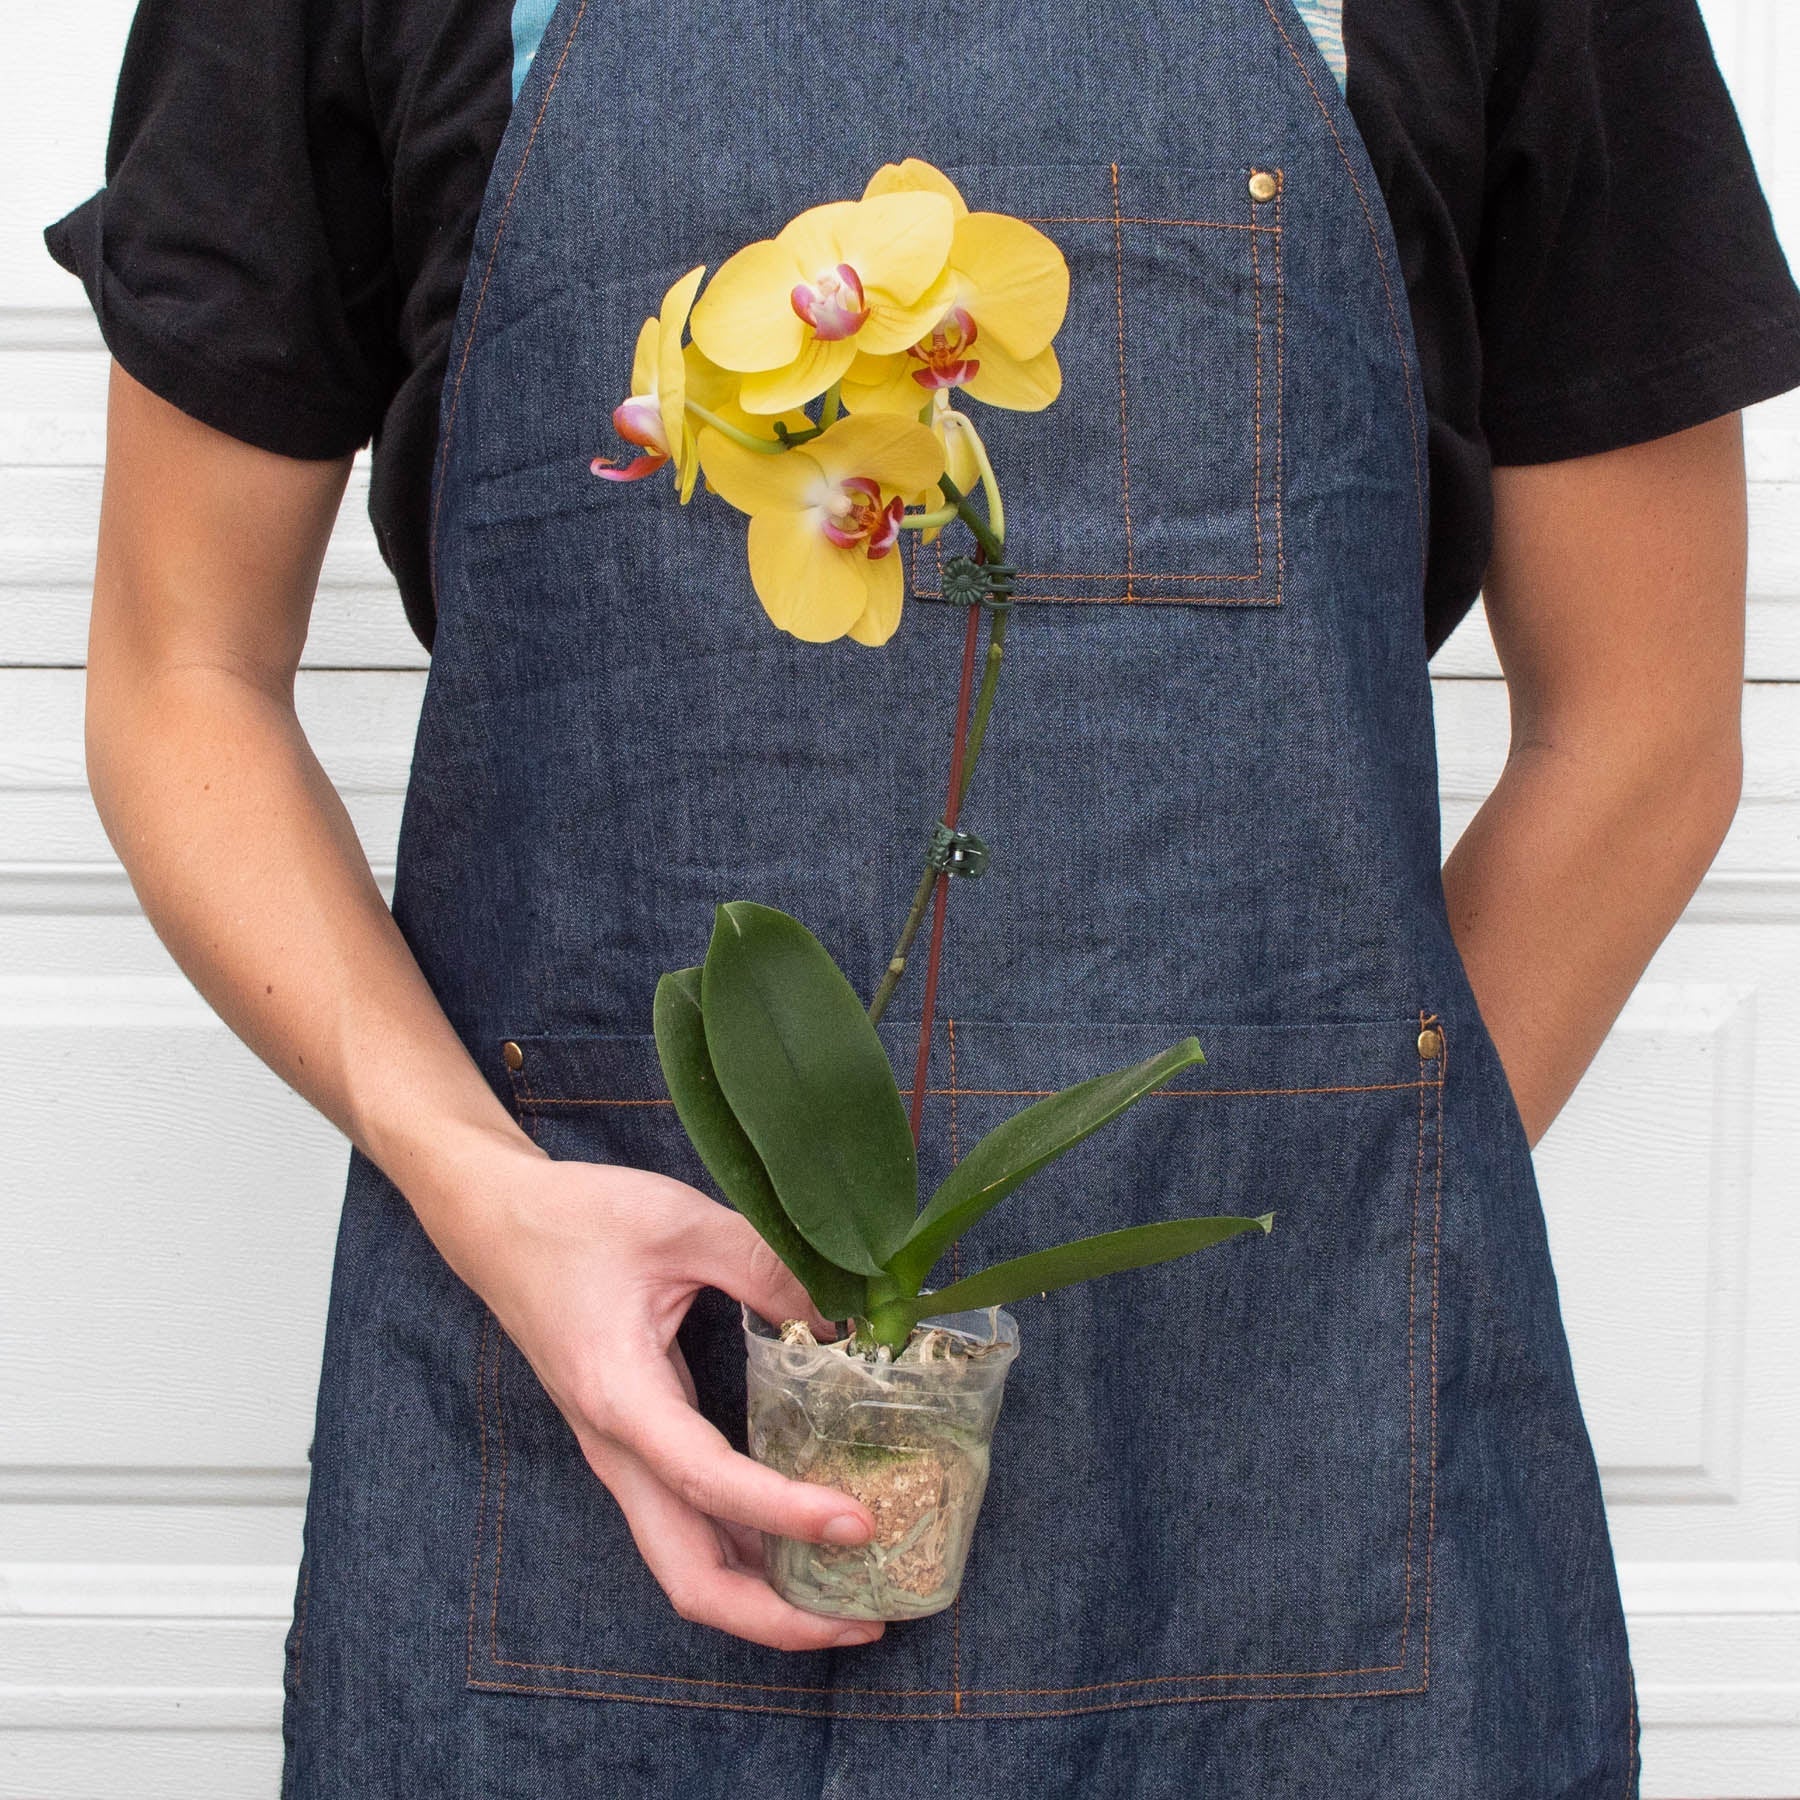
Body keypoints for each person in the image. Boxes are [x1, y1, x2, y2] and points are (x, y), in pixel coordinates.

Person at [43, 0, 1800, 1794]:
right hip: (592, 1458)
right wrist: (485, 1194)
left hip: (1301, 1488)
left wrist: (1357, 1235)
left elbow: (1642, 734)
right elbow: (182, 669)